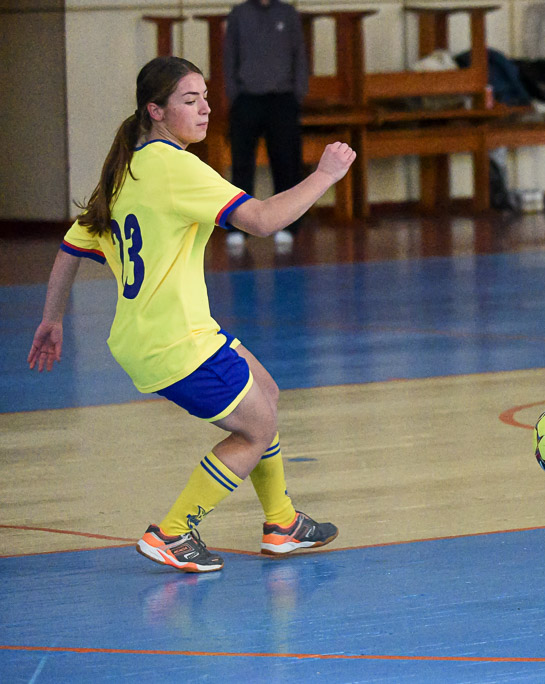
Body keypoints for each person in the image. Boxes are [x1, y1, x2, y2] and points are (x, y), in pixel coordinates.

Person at [27, 56, 357, 572]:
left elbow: (71, 247)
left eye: (205, 97)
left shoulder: (124, 170)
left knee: (265, 393)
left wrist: (52, 319)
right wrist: (325, 175)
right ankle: (173, 532)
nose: (204, 109)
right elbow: (263, 221)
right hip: (174, 342)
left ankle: (282, 523)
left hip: (165, 333)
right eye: (189, 100)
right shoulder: (175, 167)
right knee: (256, 429)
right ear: (155, 111)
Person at [223, 0, 308, 252]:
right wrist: (234, 94)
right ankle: (238, 227)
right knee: (242, 165)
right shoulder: (239, 14)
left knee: (286, 164)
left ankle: (288, 226)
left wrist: (297, 94)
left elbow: (300, 56)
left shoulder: (288, 14)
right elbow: (229, 57)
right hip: (246, 98)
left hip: (282, 99)